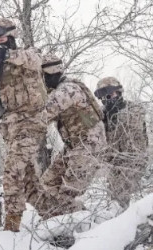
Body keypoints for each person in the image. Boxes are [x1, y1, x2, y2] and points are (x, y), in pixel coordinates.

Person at [0, 18, 48, 232]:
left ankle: (12, 225)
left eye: (1, 34)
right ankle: (56, 212)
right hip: (11, 128)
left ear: (11, 34)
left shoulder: (29, 53)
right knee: (29, 182)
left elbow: (35, 61)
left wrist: (6, 55)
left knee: (12, 172)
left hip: (31, 122)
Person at [33, 56, 106, 219]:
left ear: (50, 74)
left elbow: (42, 117)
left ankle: (86, 225)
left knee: (66, 196)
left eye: (41, 77)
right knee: (46, 186)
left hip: (88, 146)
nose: (41, 81)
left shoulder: (66, 90)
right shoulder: (63, 88)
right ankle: (56, 222)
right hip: (74, 146)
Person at [94, 77, 148, 208]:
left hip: (133, 160)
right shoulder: (101, 114)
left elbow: (131, 132)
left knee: (120, 196)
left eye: (110, 94)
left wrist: (113, 117)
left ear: (119, 92)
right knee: (113, 199)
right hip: (113, 162)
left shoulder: (133, 109)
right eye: (103, 96)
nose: (107, 99)